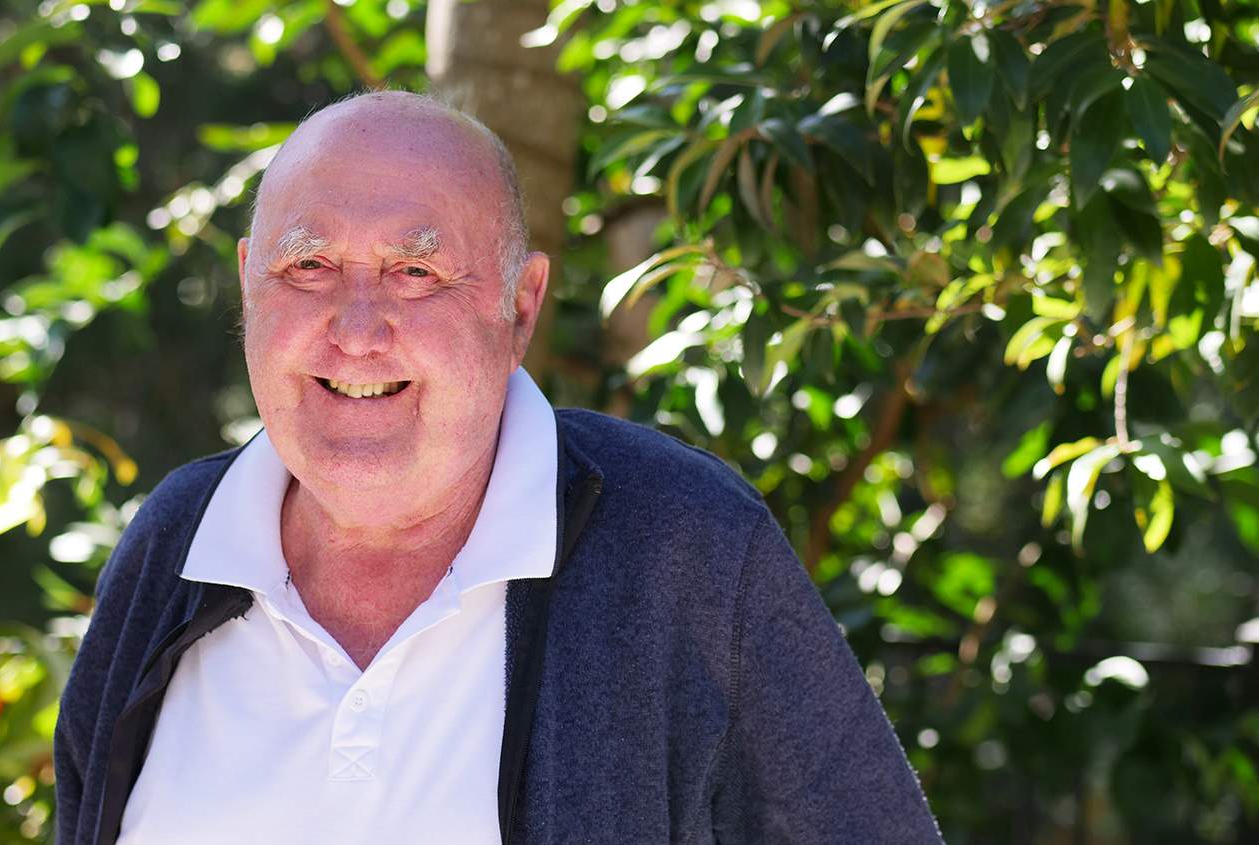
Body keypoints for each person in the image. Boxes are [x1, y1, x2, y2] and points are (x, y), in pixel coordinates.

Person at [54, 90, 943, 845]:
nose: (356, 330)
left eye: (414, 270)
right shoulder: (176, 544)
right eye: (311, 264)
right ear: (250, 284)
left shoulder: (684, 546)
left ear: (520, 309)